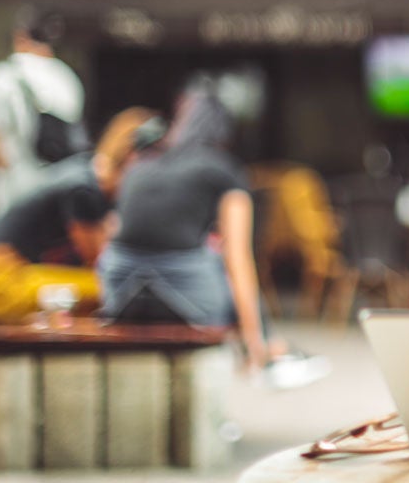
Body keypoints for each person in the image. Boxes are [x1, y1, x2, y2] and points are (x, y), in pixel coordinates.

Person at [0, 107, 160, 422]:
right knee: (114, 289)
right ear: (132, 156)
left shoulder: (85, 173)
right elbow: (102, 263)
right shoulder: (86, 189)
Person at [97, 81, 279, 369]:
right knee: (219, 256)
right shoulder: (222, 169)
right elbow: (238, 256)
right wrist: (255, 337)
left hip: (119, 291)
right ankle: (263, 350)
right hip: (185, 295)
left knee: (209, 252)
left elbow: (114, 228)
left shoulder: (142, 164)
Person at [0, 6, 83, 214]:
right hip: (60, 192)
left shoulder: (2, 76)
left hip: (16, 193)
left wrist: (7, 173)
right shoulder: (68, 78)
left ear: (20, 36)